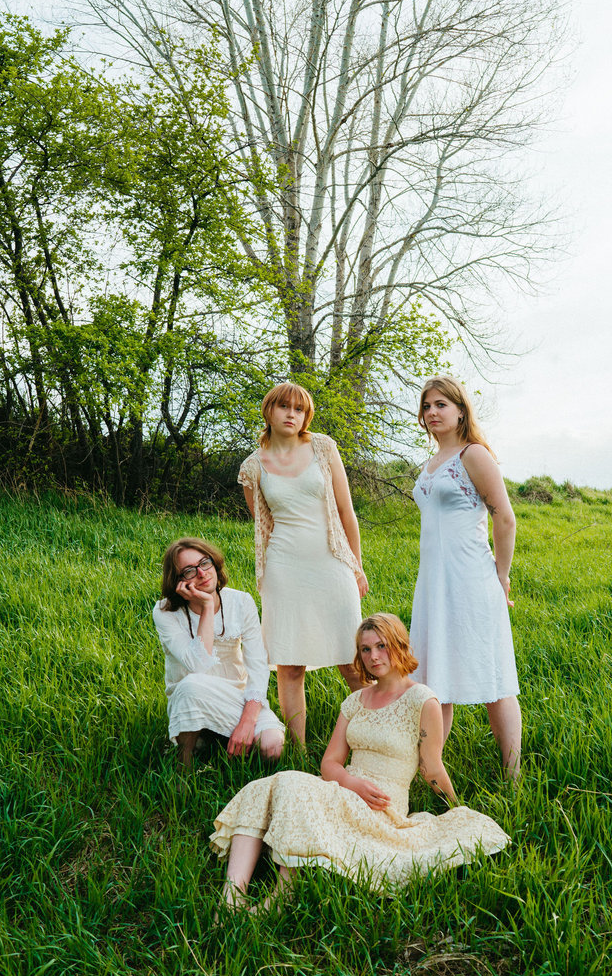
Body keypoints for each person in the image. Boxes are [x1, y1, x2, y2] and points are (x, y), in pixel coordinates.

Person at [210, 613, 509, 911]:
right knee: (262, 787)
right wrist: (352, 783)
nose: (373, 656)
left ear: (399, 645)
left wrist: (455, 807)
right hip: (346, 787)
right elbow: (330, 763)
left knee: (291, 784)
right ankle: (231, 897)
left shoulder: (422, 700)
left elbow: (431, 766)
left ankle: (280, 898)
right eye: (365, 649)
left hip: (382, 804)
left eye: (381, 646)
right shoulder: (356, 700)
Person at [237, 381, 369, 747]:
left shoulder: (323, 447)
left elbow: (346, 512)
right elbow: (263, 523)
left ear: (306, 416)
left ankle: (375, 736)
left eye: (299, 409)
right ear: (269, 411)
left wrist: (356, 566)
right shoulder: (252, 467)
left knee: (352, 658)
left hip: (332, 562)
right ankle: (298, 751)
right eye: (284, 407)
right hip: (284, 569)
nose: (291, 414)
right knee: (290, 664)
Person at [410, 375, 521, 781]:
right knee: (434, 678)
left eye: (441, 405)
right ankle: (431, 771)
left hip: (471, 578)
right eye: (426, 406)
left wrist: (502, 575)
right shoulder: (430, 463)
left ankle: (512, 775)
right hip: (433, 584)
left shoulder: (473, 455)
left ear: (460, 411)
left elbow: (504, 518)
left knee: (492, 675)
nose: (432, 412)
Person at [153, 538, 285, 770]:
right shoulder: (165, 612)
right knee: (191, 685)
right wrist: (206, 606)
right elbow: (198, 665)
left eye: (205, 562)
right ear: (178, 581)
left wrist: (247, 722)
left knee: (272, 747)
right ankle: (183, 764)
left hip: (233, 697)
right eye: (189, 571)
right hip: (189, 697)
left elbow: (258, 666)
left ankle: (218, 741)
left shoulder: (241, 601)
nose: (202, 573)